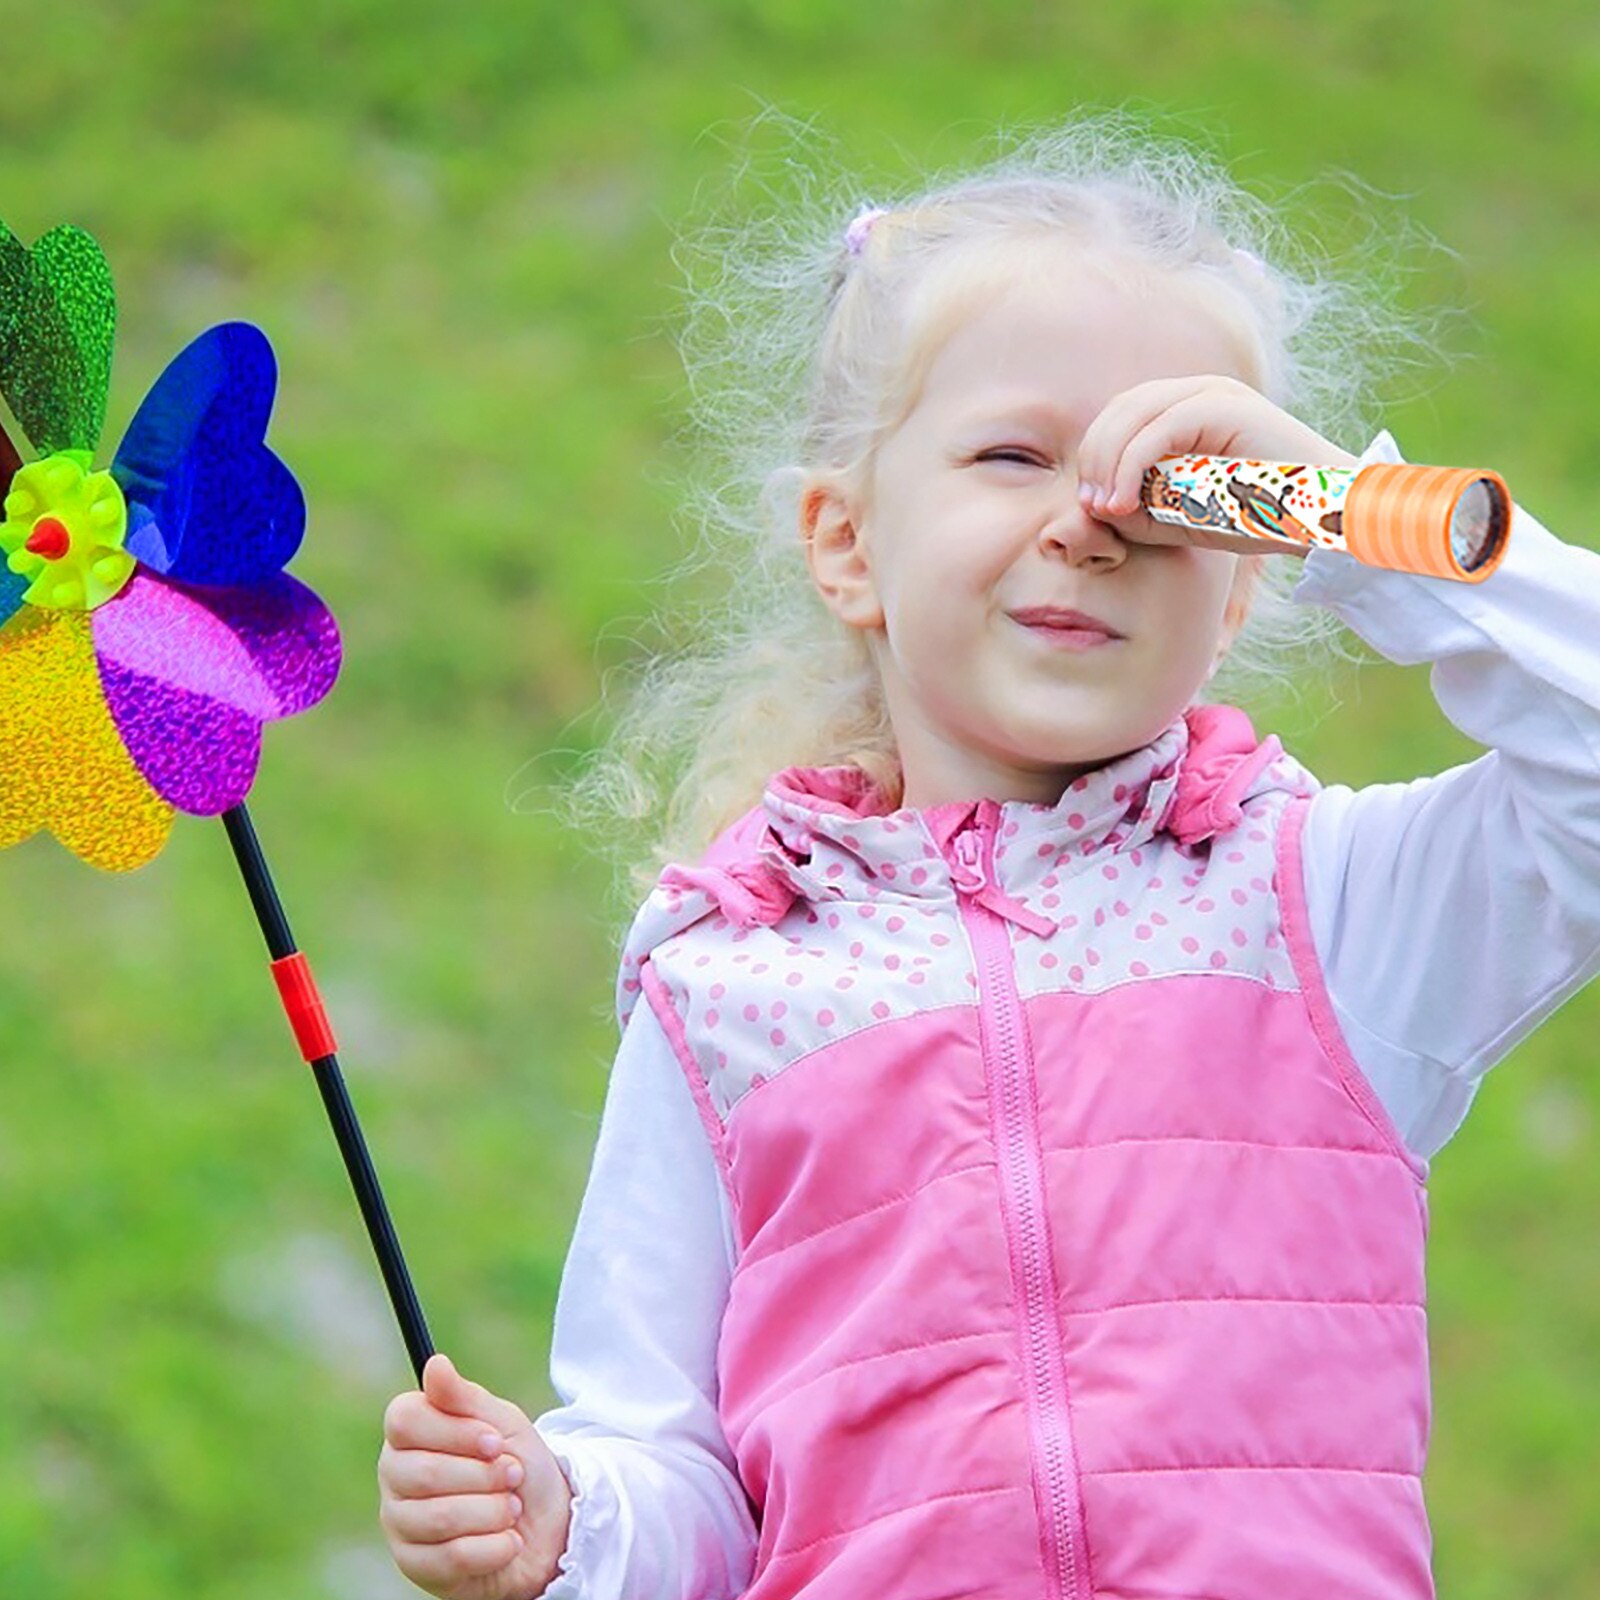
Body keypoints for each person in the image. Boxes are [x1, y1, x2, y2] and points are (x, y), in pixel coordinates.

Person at [376, 113, 1600, 1599]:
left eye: (1172, 496)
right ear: (848, 544)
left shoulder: (1328, 910)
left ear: (1237, 597)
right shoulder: (732, 981)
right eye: (1014, 454)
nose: (1091, 524)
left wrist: (1348, 516)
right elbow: (680, 1464)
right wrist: (569, 1519)